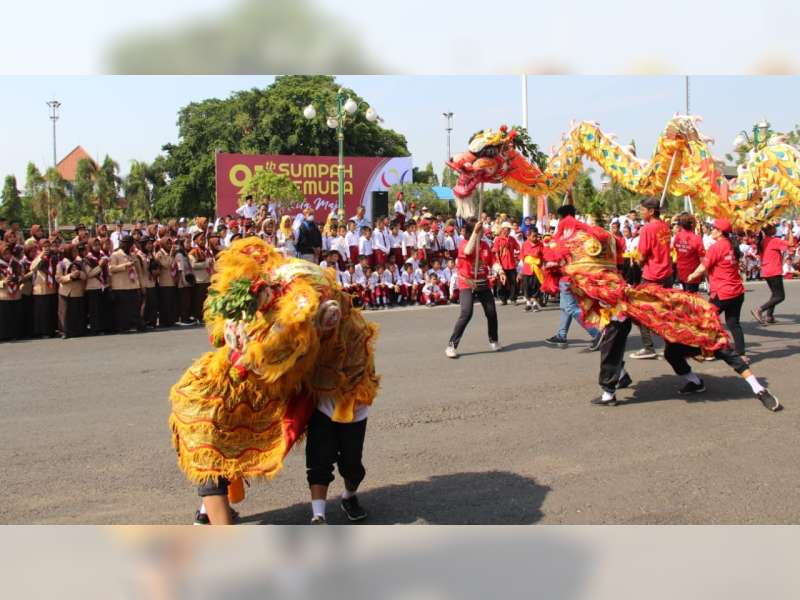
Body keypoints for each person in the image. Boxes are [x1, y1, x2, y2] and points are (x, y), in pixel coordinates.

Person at [686, 218, 747, 360]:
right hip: (737, 291)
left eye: (714, 228)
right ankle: (741, 353)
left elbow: (703, 267)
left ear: (720, 232)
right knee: (733, 323)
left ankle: (707, 351)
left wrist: (691, 276)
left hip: (723, 292)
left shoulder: (717, 247)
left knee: (705, 319)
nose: (711, 230)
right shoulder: (730, 245)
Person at [544, 205, 601, 349]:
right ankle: (561, 335)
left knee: (570, 307)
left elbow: (559, 254)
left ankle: (597, 333)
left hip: (568, 276)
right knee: (565, 307)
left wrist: (549, 247)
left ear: (564, 217)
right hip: (579, 275)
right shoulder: (583, 232)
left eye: (560, 217)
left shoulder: (567, 234)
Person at [445, 218, 501, 358]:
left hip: (482, 282)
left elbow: (492, 261)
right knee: (466, 313)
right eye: (480, 230)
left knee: (491, 312)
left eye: (481, 230)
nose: (482, 232)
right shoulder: (464, 243)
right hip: (467, 282)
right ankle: (451, 345)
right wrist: (475, 232)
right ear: (472, 231)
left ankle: (493, 340)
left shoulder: (484, 245)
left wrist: (500, 271)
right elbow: (469, 251)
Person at [629, 198, 672, 360]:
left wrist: (637, 262)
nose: (641, 212)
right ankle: (670, 347)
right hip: (667, 275)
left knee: (639, 312)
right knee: (665, 312)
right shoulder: (665, 226)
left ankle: (648, 348)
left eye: (643, 210)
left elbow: (642, 255)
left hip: (652, 276)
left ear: (651, 211)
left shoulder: (648, 229)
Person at [752, 223, 790, 324]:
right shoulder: (773, 241)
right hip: (774, 270)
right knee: (780, 296)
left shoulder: (763, 241)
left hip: (766, 270)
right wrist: (790, 230)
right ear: (769, 230)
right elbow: (790, 243)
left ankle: (769, 316)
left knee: (775, 294)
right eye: (773, 227)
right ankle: (759, 310)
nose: (775, 229)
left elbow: (785, 244)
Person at [109, 234, 143, 332]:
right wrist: (125, 266)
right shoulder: (115, 255)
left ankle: (136, 325)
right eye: (124, 243)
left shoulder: (132, 255)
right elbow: (111, 268)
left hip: (132, 285)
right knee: (122, 309)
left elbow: (138, 271)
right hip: (120, 286)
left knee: (134, 308)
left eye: (129, 243)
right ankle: (122, 327)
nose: (127, 245)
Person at [56, 244, 87, 338]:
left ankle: (78, 331)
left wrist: (79, 274)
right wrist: (70, 276)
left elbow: (85, 276)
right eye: (73, 251)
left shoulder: (79, 263)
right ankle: (64, 331)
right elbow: (59, 278)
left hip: (77, 291)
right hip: (66, 291)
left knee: (76, 311)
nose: (75, 253)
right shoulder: (61, 264)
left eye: (76, 251)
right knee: (65, 313)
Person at [30, 239, 59, 338]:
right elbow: (32, 268)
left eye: (48, 246)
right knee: (42, 312)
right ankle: (42, 331)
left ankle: (51, 330)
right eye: (44, 246)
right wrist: (41, 256)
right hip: (40, 288)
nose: (46, 248)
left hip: (51, 287)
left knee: (50, 310)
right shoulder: (38, 256)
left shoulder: (53, 257)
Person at [84, 237, 112, 335]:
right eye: (94, 245)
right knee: (95, 309)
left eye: (98, 245)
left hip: (103, 285)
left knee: (103, 308)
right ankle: (95, 328)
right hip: (93, 287)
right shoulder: (87, 258)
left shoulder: (102, 255)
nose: (97, 247)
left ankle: (105, 327)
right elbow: (89, 274)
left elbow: (107, 270)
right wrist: (99, 266)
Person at [672, 212, 705, 292]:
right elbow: (702, 259)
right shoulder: (696, 238)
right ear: (692, 224)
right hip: (693, 273)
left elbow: (676, 248)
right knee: (692, 299)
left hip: (681, 271)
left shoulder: (677, 236)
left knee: (685, 296)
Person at [492, 221, 520, 305]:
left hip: (511, 263)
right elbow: (496, 252)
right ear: (503, 229)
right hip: (502, 264)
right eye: (507, 229)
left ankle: (513, 298)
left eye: (509, 229)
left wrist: (517, 258)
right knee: (501, 283)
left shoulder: (512, 239)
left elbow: (518, 248)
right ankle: (503, 299)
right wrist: (499, 264)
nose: (508, 230)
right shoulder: (498, 239)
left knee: (513, 282)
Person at [189, 231, 213, 324]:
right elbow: (193, 265)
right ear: (195, 241)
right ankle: (199, 317)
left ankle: (206, 316)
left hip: (208, 278)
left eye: (204, 239)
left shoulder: (207, 250)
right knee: (199, 301)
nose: (203, 241)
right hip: (199, 279)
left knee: (207, 300)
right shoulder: (193, 251)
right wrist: (206, 263)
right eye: (201, 239)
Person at [0, 241, 22, 341]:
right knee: (4, 317)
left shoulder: (15, 263)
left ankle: (15, 334)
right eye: (4, 254)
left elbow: (21, 275)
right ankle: (4, 335)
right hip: (3, 294)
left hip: (15, 293)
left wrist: (17, 279)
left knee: (15, 315)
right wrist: (3, 282)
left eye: (8, 253)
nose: (7, 256)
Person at [155, 238, 178, 327]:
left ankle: (171, 320)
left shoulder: (169, 253)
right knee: (165, 303)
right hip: (164, 282)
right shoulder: (159, 254)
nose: (170, 246)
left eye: (170, 244)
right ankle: (164, 321)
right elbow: (166, 265)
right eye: (168, 244)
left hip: (172, 281)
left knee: (171, 302)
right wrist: (171, 255)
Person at [520, 229, 543, 312]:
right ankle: (528, 303)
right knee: (526, 287)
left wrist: (540, 265)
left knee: (536, 286)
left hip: (537, 268)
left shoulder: (540, 244)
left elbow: (542, 256)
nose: (535, 237)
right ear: (528, 236)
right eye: (533, 236)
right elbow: (522, 257)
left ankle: (535, 304)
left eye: (536, 236)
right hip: (527, 268)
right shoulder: (525, 244)